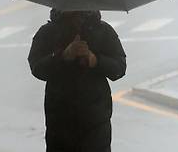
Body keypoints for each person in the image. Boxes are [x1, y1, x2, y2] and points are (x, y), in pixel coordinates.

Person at [28, 8, 127, 152]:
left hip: (95, 121)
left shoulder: (103, 30)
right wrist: (63, 56)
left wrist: (95, 60)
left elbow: (119, 68)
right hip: (60, 121)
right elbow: (37, 67)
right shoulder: (48, 32)